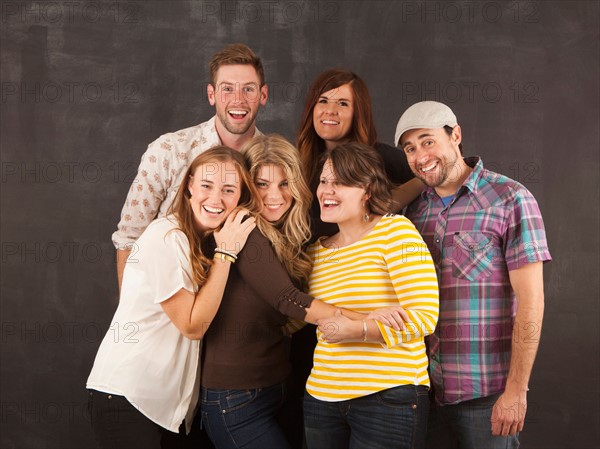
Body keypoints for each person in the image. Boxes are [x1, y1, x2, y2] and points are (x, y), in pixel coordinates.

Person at [199, 135, 403, 449]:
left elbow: (367, 205)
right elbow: (288, 300)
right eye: (262, 184)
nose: (274, 196)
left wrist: (425, 182)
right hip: (235, 398)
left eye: (284, 184)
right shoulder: (243, 229)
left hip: (278, 387)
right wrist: (368, 319)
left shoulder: (293, 232)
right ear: (246, 186)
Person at [395, 101, 552, 449]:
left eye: (427, 140)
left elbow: (532, 300)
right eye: (410, 148)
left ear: (456, 136)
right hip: (423, 392)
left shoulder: (510, 199)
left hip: (487, 395)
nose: (420, 156)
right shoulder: (413, 212)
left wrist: (516, 390)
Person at [86, 147, 258, 449]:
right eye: (206, 186)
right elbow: (192, 326)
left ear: (240, 197)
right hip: (128, 398)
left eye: (228, 189)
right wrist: (226, 253)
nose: (215, 199)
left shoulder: (198, 242)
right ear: (189, 185)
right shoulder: (167, 236)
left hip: (164, 410)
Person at [303, 142, 440, 449]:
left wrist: (361, 330)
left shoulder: (395, 232)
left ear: (367, 190)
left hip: (388, 398)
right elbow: (303, 311)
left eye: (339, 183)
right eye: (324, 181)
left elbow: (425, 316)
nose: (326, 190)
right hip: (322, 398)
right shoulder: (316, 249)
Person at [113, 43, 268, 289]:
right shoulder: (169, 150)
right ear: (211, 94)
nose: (238, 100)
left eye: (248, 89)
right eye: (227, 89)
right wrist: (131, 314)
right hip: (173, 302)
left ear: (263, 95)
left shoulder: (274, 163)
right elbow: (129, 239)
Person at [297, 68, 423, 239]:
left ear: (358, 112)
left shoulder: (382, 157)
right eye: (323, 100)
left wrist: (381, 206)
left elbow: (428, 177)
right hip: (316, 262)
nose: (330, 110)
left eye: (343, 103)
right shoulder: (298, 164)